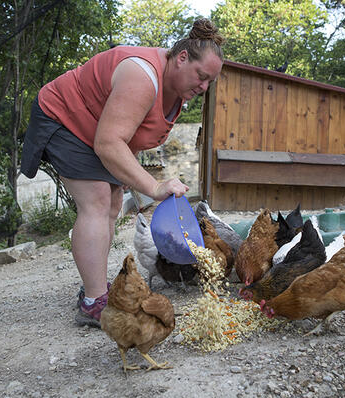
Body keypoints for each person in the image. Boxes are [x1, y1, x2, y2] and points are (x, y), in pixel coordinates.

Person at [20, 19, 224, 327]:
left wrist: (134, 184)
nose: (204, 87)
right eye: (202, 76)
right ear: (182, 58)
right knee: (98, 200)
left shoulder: (177, 90)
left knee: (113, 203)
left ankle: (97, 289)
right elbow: (109, 143)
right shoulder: (142, 77)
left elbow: (131, 136)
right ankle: (93, 301)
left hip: (98, 130)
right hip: (65, 118)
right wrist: (154, 187)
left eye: (210, 82)